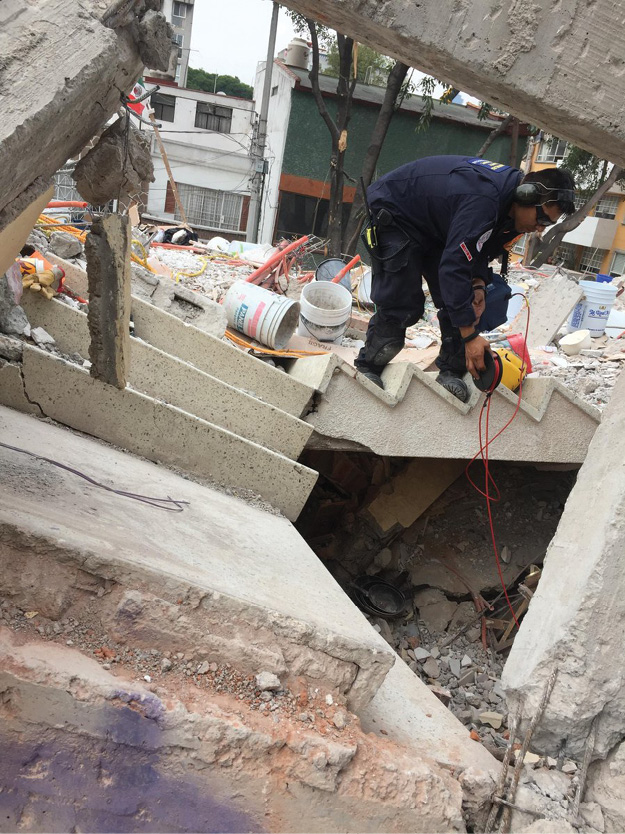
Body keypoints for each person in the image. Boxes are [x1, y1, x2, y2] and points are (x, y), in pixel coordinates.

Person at [355, 155, 576, 400]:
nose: (540, 228)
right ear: (526, 195)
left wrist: (479, 284)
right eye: (542, 219)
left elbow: (478, 249)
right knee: (402, 304)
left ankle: (450, 373)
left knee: (467, 299)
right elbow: (454, 266)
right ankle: (369, 366)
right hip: (399, 212)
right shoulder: (484, 200)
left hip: (438, 225)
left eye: (548, 223)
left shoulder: (510, 213)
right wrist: (470, 335)